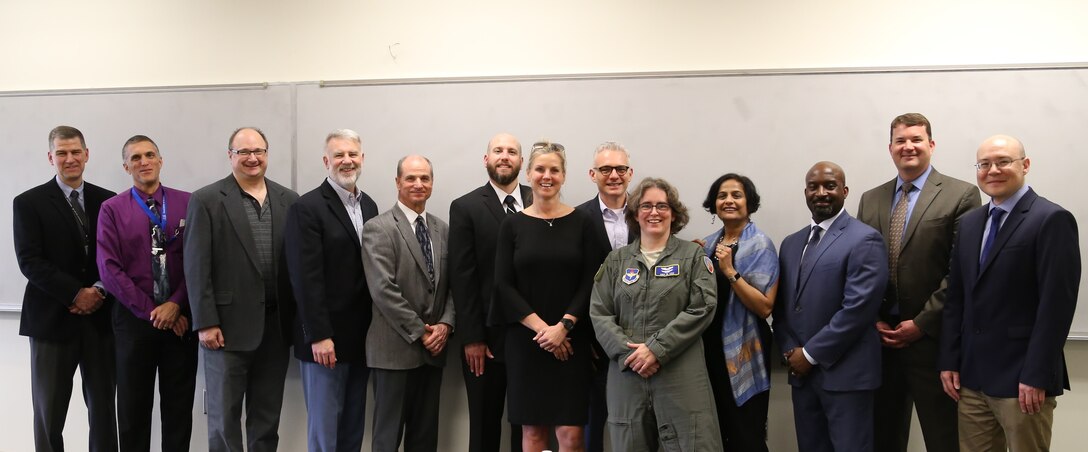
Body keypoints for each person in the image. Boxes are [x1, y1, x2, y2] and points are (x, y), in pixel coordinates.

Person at [939, 135, 1080, 451]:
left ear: (1025, 165)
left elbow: (1057, 305)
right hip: (971, 377)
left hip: (1023, 381)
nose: (992, 170)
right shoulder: (970, 223)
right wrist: (949, 359)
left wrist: (1037, 374)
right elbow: (956, 298)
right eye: (984, 164)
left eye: (1003, 161)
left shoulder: (1051, 219)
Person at [856, 113, 980, 452]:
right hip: (880, 341)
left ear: (931, 145)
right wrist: (874, 318)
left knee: (944, 439)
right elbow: (861, 267)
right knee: (883, 437)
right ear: (890, 148)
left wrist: (922, 323)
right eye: (900, 140)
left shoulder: (962, 194)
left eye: (916, 139)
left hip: (934, 342)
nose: (908, 146)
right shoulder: (871, 199)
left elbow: (961, 270)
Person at [184, 127, 299, 452]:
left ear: (267, 154)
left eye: (259, 151)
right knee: (224, 420)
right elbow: (196, 266)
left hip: (275, 330)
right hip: (225, 331)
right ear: (230, 155)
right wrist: (205, 322)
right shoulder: (206, 200)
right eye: (244, 152)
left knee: (266, 421)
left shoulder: (288, 200)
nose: (252, 158)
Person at [590, 177, 723, 452]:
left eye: (662, 206)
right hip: (628, 375)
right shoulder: (615, 262)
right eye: (646, 206)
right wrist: (631, 355)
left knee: (693, 443)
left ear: (674, 213)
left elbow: (703, 307)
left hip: (680, 374)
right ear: (635, 213)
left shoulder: (693, 257)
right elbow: (599, 313)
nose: (654, 213)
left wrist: (656, 349)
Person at [14, 125, 118, 452]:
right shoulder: (29, 203)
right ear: (51, 157)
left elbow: (118, 258)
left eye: (76, 152)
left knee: (103, 410)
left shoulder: (110, 202)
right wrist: (76, 293)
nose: (70, 159)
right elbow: (30, 261)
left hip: (100, 322)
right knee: (49, 413)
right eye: (62, 153)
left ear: (87, 155)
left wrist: (98, 291)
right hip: (50, 321)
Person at [773, 161, 888, 452]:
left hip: (847, 377)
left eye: (830, 185)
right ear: (806, 192)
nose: (821, 192)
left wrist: (810, 355)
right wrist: (790, 351)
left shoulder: (865, 239)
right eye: (814, 187)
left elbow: (858, 310)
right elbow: (783, 306)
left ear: (845, 191)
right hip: (802, 377)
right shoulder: (790, 243)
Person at [97, 135, 197, 452]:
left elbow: (199, 261)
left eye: (150, 154)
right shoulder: (111, 209)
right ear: (126, 166)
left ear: (160, 160)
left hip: (181, 321)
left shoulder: (189, 203)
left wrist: (175, 305)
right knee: (132, 411)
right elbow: (109, 269)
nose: (144, 162)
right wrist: (154, 312)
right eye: (136, 157)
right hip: (133, 323)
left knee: (178, 411)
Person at [493, 141, 595, 452]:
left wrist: (563, 327)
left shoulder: (582, 222)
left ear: (564, 176)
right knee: (533, 434)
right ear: (528, 173)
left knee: (571, 435)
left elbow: (591, 281)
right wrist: (544, 330)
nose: (546, 176)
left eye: (554, 170)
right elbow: (503, 285)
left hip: (572, 342)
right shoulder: (512, 225)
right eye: (540, 169)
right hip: (527, 343)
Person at [285, 129, 378, 452]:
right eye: (339, 155)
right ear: (326, 161)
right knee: (325, 435)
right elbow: (304, 278)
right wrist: (319, 335)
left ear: (362, 159)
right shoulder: (307, 208)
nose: (346, 160)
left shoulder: (369, 206)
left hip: (361, 337)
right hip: (324, 340)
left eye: (352, 154)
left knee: (352, 429)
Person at [361, 155, 454, 452]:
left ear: (432, 183)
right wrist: (422, 332)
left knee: (425, 439)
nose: (418, 184)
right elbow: (382, 289)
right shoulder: (378, 228)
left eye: (424, 178)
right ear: (398, 182)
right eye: (411, 178)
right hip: (393, 351)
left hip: (434, 352)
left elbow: (454, 285)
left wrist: (445, 324)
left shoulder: (442, 229)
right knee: (387, 439)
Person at [448, 133, 530, 452]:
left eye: (512, 151)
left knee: (529, 428)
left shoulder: (540, 202)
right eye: (498, 151)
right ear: (487, 159)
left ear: (522, 162)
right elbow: (463, 277)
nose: (505, 156)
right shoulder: (466, 207)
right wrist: (472, 338)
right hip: (485, 342)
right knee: (484, 427)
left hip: (533, 337)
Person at [699, 173, 778, 451]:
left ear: (749, 202)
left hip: (744, 349)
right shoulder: (709, 244)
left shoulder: (761, 245)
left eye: (736, 195)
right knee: (717, 433)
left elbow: (764, 306)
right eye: (722, 196)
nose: (729, 201)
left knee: (746, 434)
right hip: (709, 351)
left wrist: (730, 272)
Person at [574, 141, 634, 452]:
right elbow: (572, 283)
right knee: (589, 433)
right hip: (592, 348)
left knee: (639, 434)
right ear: (592, 174)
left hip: (642, 345)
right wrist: (585, 339)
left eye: (620, 169)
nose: (614, 175)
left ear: (630, 173)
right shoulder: (576, 218)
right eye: (606, 169)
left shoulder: (649, 214)